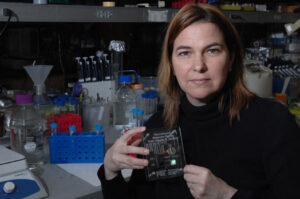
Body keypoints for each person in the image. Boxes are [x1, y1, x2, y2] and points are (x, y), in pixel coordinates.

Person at [98, 3, 300, 199]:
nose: (198, 66)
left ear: (230, 59)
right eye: (185, 53)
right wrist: (110, 171)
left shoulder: (273, 123)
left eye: (212, 50)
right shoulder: (158, 127)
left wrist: (227, 195)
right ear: (171, 65)